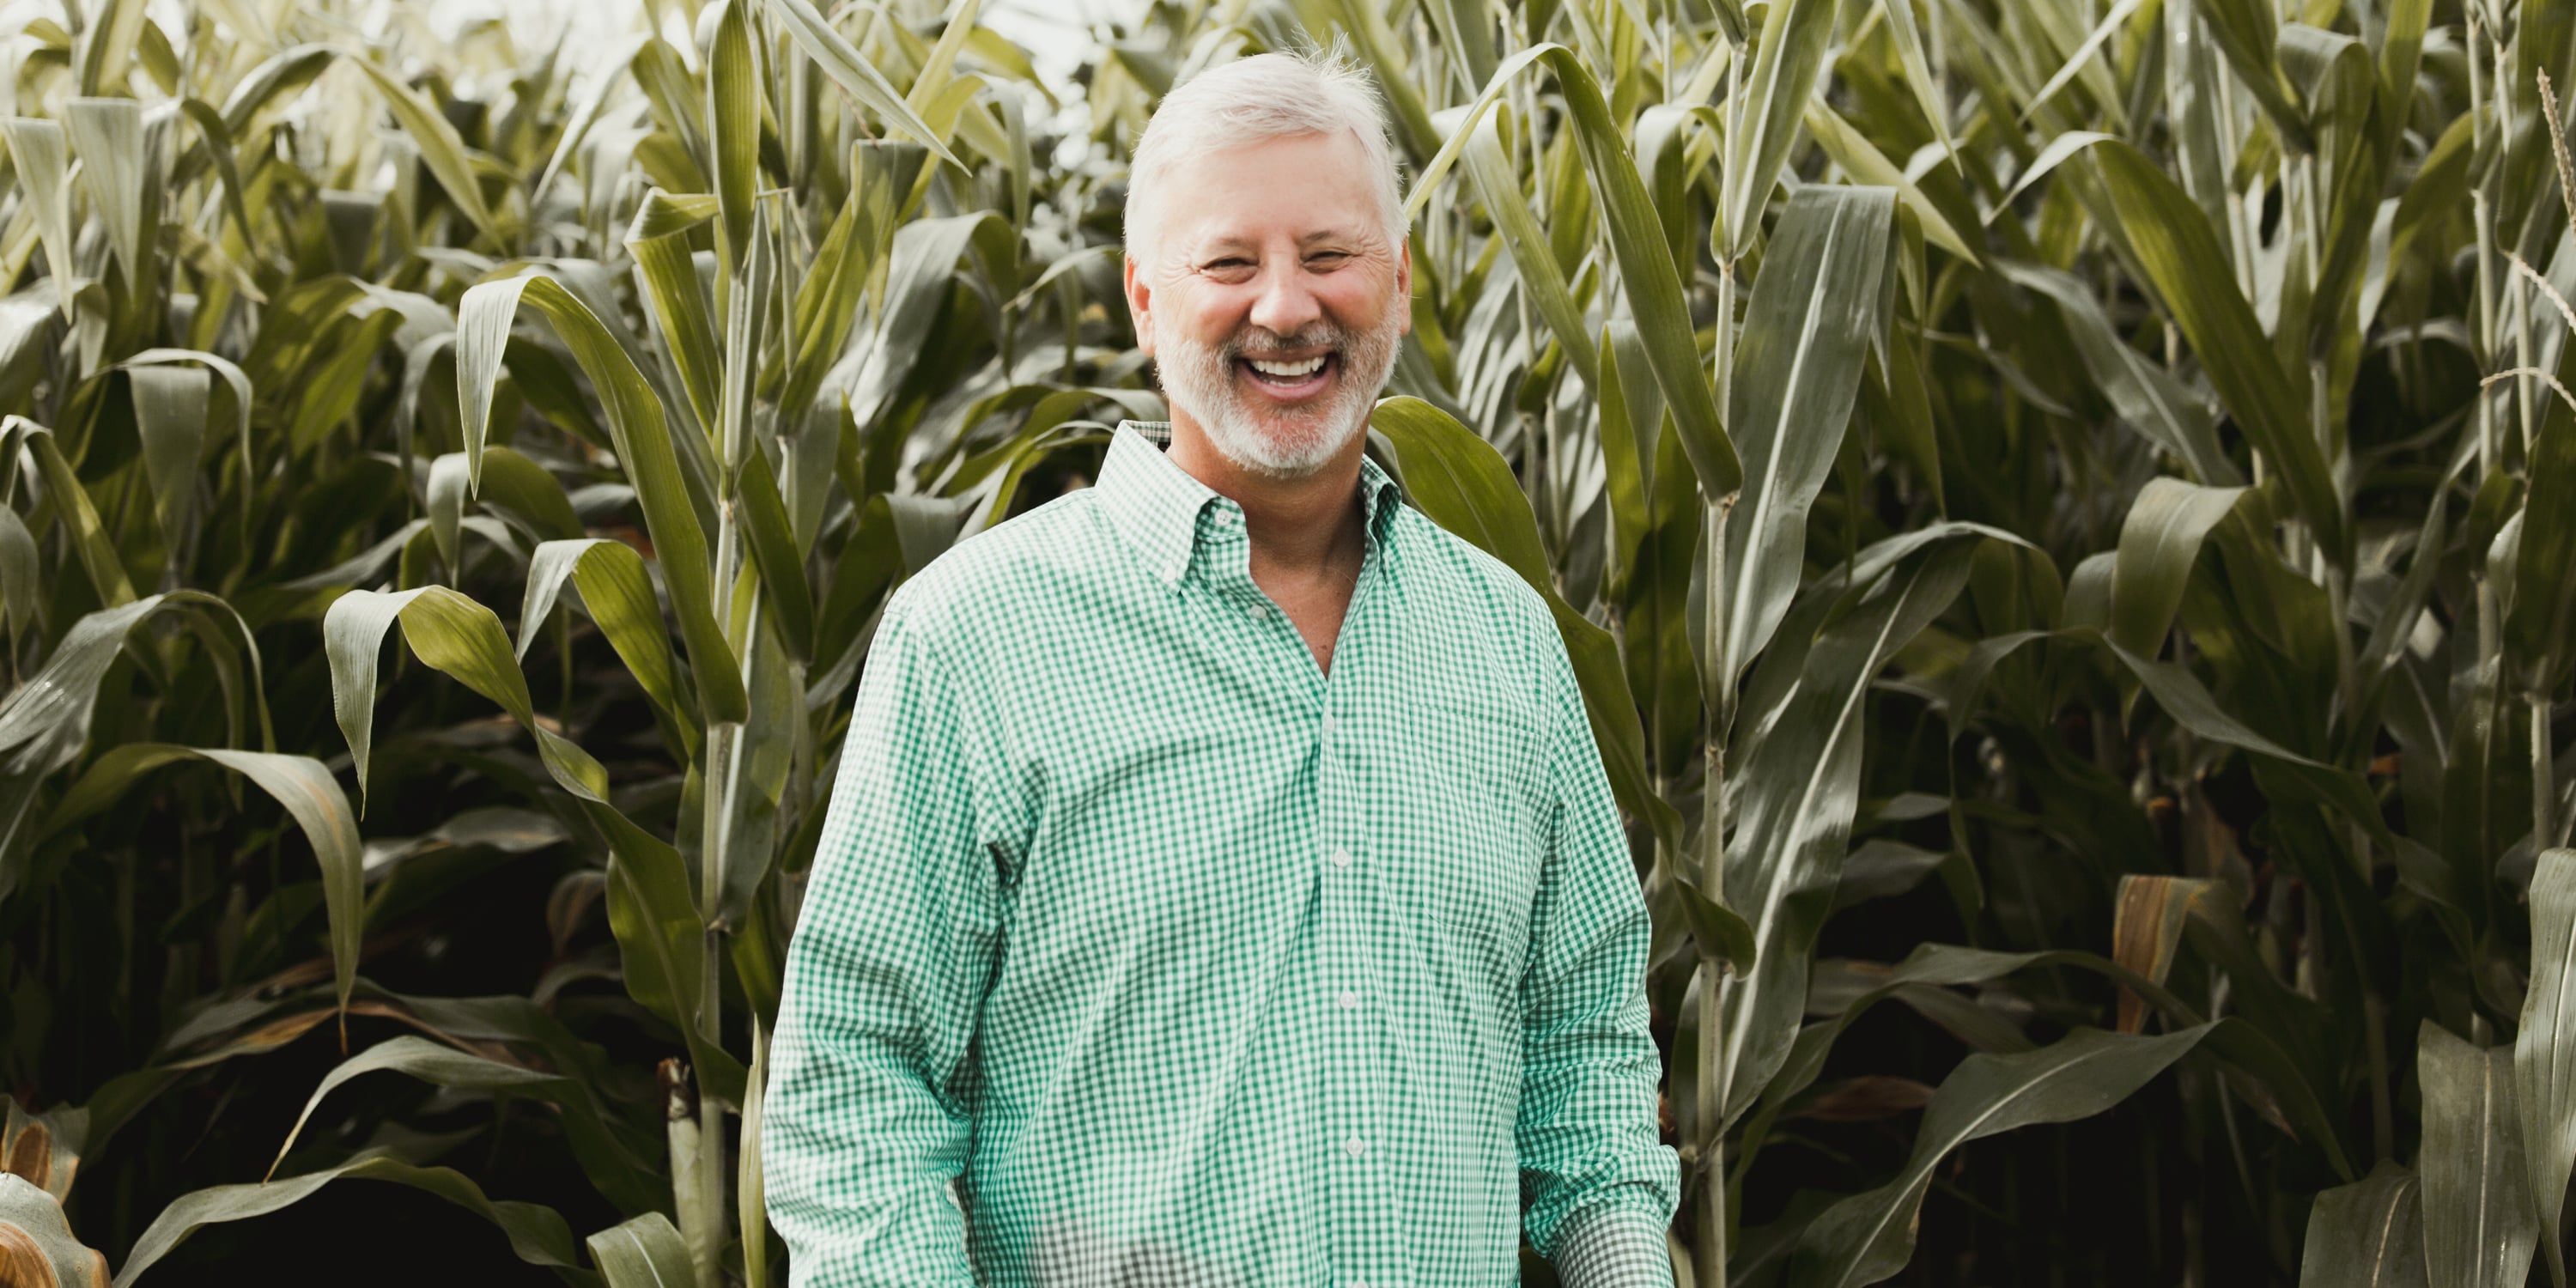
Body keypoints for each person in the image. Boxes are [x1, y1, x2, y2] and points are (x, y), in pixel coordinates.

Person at [762, 42, 1680, 1287]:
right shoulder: (972, 642)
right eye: (1230, 262)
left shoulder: (1506, 643)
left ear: (1399, 288)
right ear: (1144, 302)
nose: (1288, 308)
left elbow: (1585, 1058)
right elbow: (857, 1090)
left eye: (1330, 255)